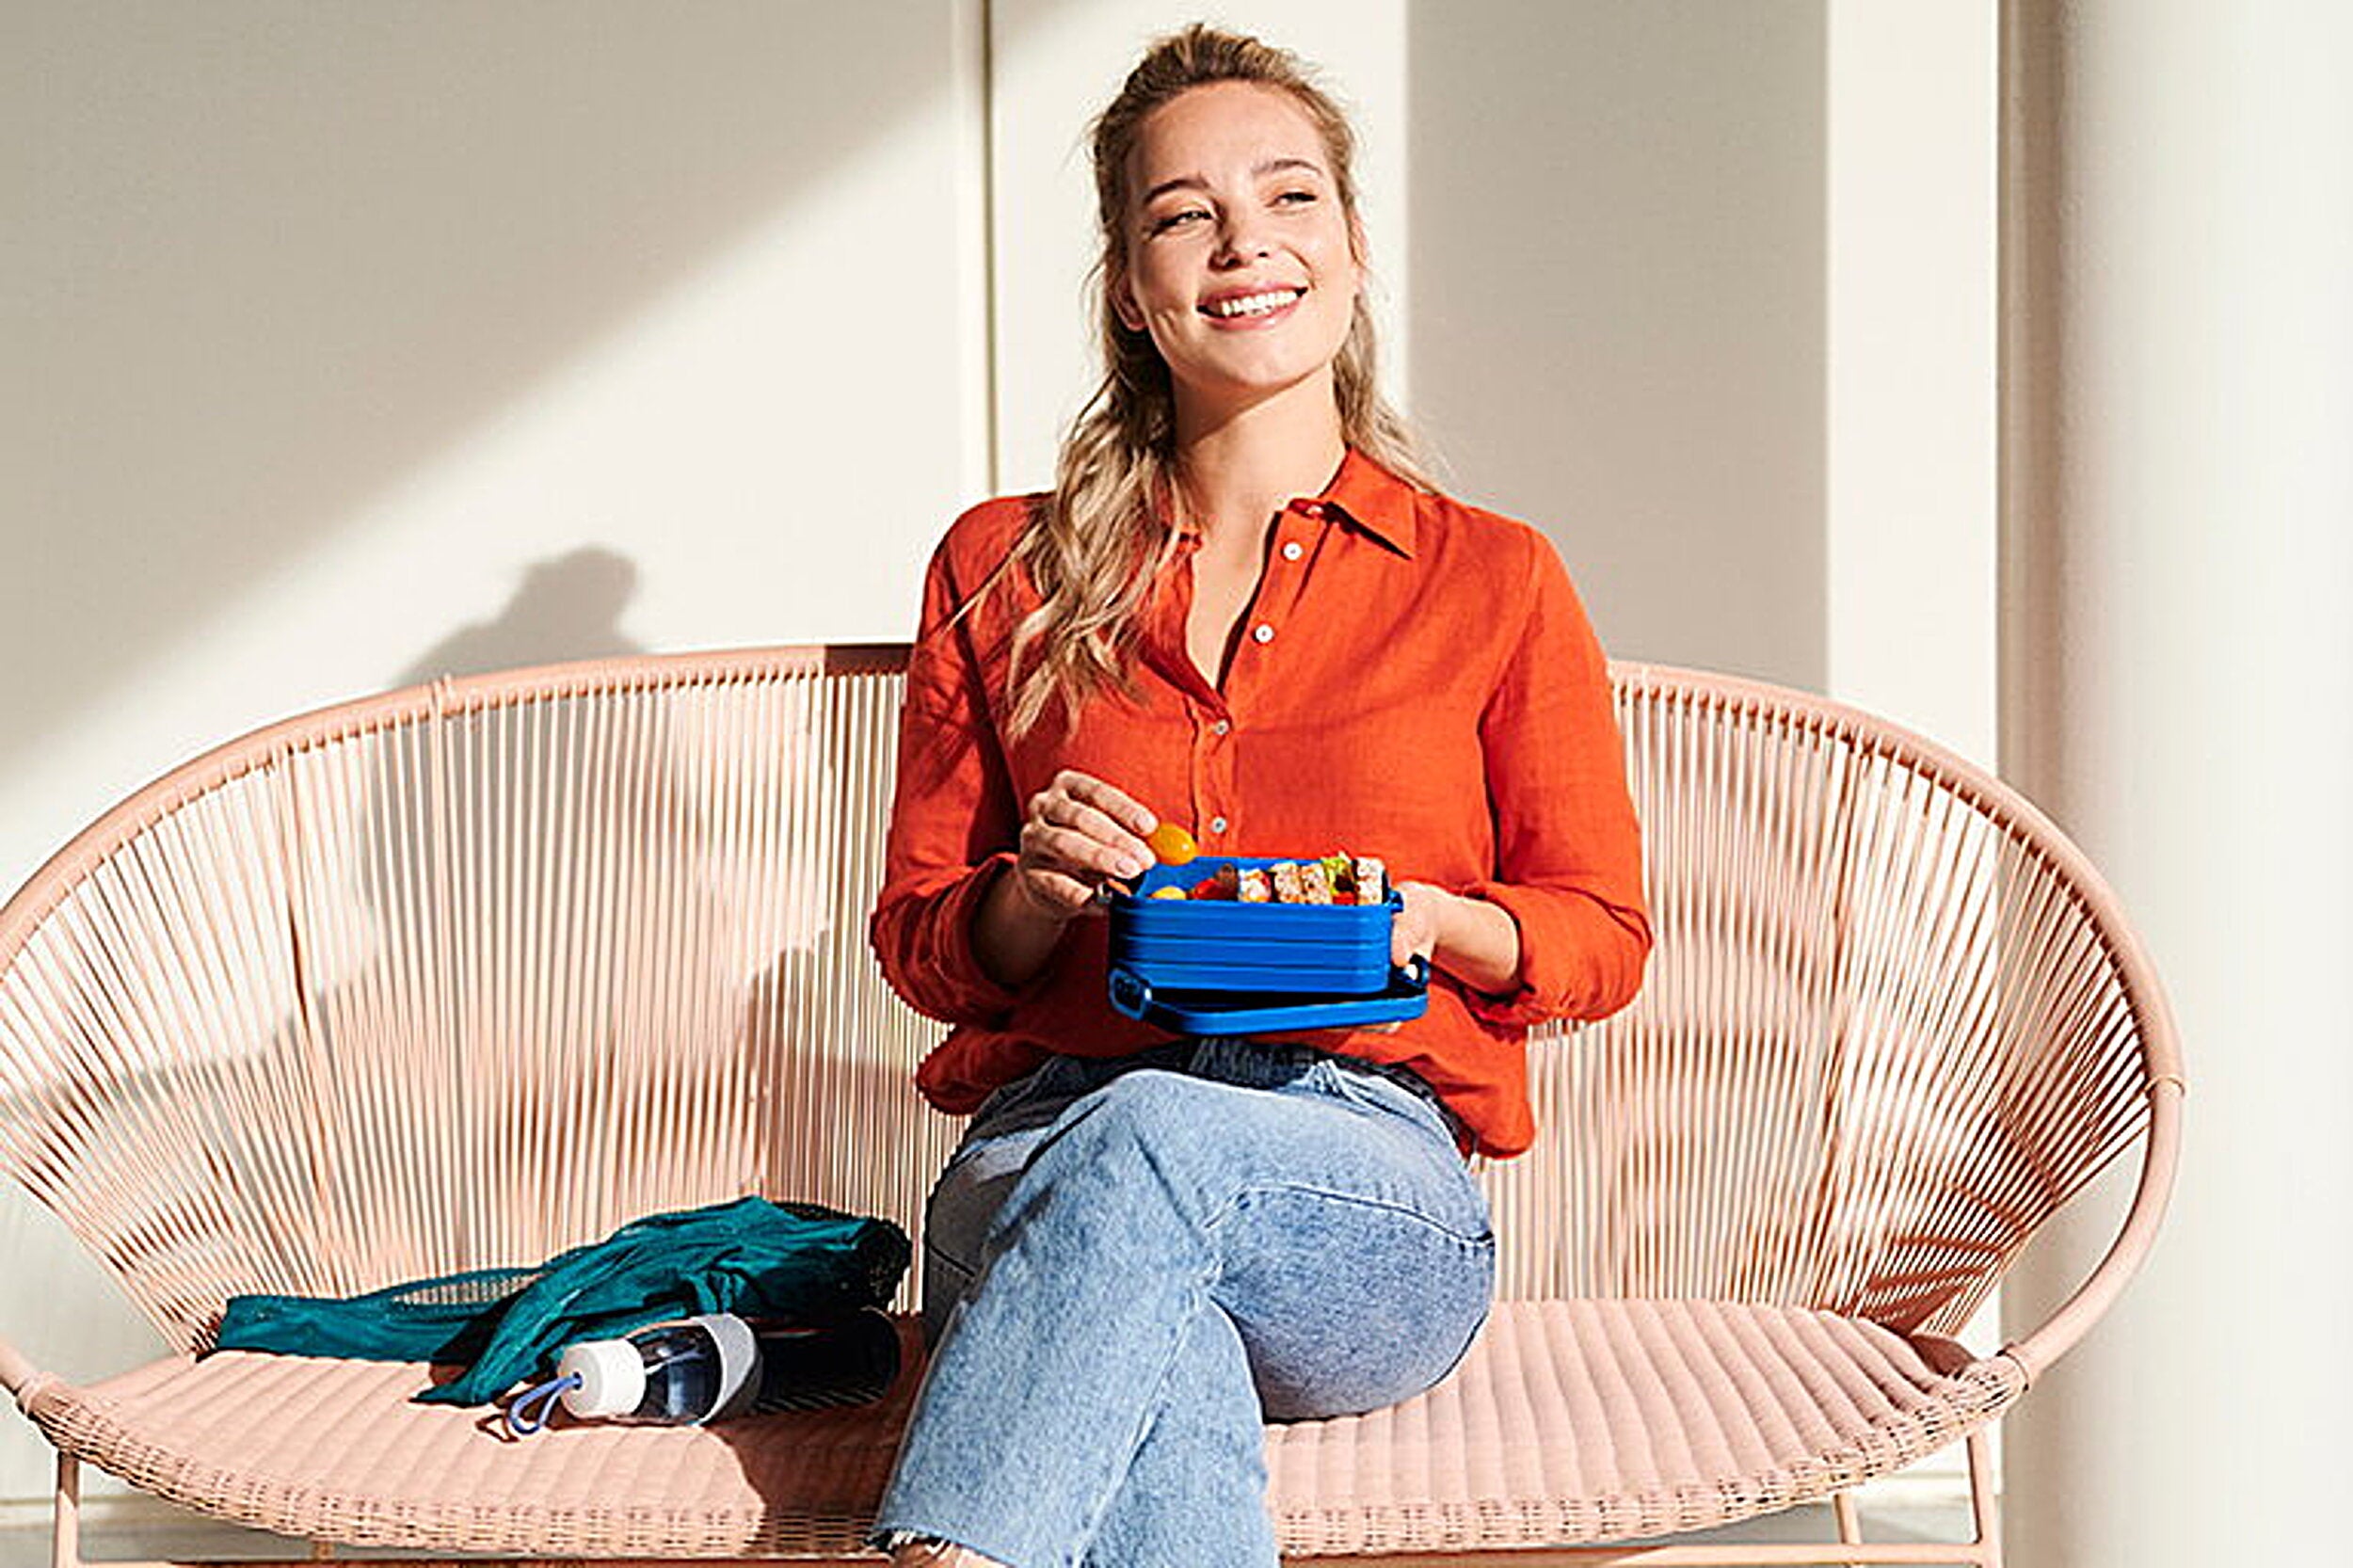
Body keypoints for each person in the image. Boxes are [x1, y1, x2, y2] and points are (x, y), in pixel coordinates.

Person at [865, 24, 1650, 1568]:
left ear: (1351, 245)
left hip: (1360, 1183)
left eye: (1289, 196)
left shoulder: (1492, 577)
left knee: (1157, 1140)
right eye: (1184, 214)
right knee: (1158, 1341)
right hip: (1041, 1157)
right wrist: (1032, 891)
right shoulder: (1000, 567)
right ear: (1127, 285)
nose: (1244, 243)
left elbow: (1601, 935)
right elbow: (923, 944)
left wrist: (1434, 920)